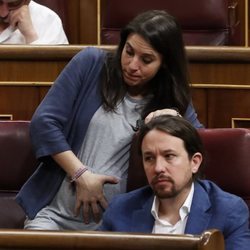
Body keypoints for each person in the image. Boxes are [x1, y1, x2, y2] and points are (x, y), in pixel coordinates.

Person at [16, 10, 203, 230]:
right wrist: (81, 174)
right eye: (129, 52)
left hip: (118, 227)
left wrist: (176, 120)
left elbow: (199, 146)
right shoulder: (91, 64)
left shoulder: (171, 98)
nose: (133, 65)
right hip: (53, 217)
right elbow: (43, 123)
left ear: (164, 63)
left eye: (146, 60)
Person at [99, 115, 250, 250]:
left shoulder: (228, 211)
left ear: (194, 162)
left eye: (169, 156)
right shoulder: (120, 209)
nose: (158, 168)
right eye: (149, 158)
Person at [0, 0, 68, 44]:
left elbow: (54, 66)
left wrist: (30, 35)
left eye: (14, 4)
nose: (3, 14)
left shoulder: (49, 20)